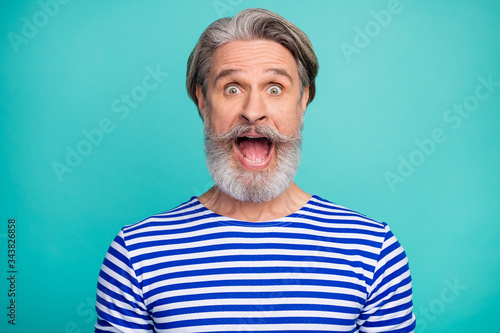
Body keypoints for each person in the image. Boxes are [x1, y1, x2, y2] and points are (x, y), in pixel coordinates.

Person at [94, 8, 416, 332]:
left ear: (303, 100)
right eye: (232, 88)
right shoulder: (136, 255)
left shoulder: (374, 252)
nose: (253, 111)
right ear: (203, 100)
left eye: (274, 88)